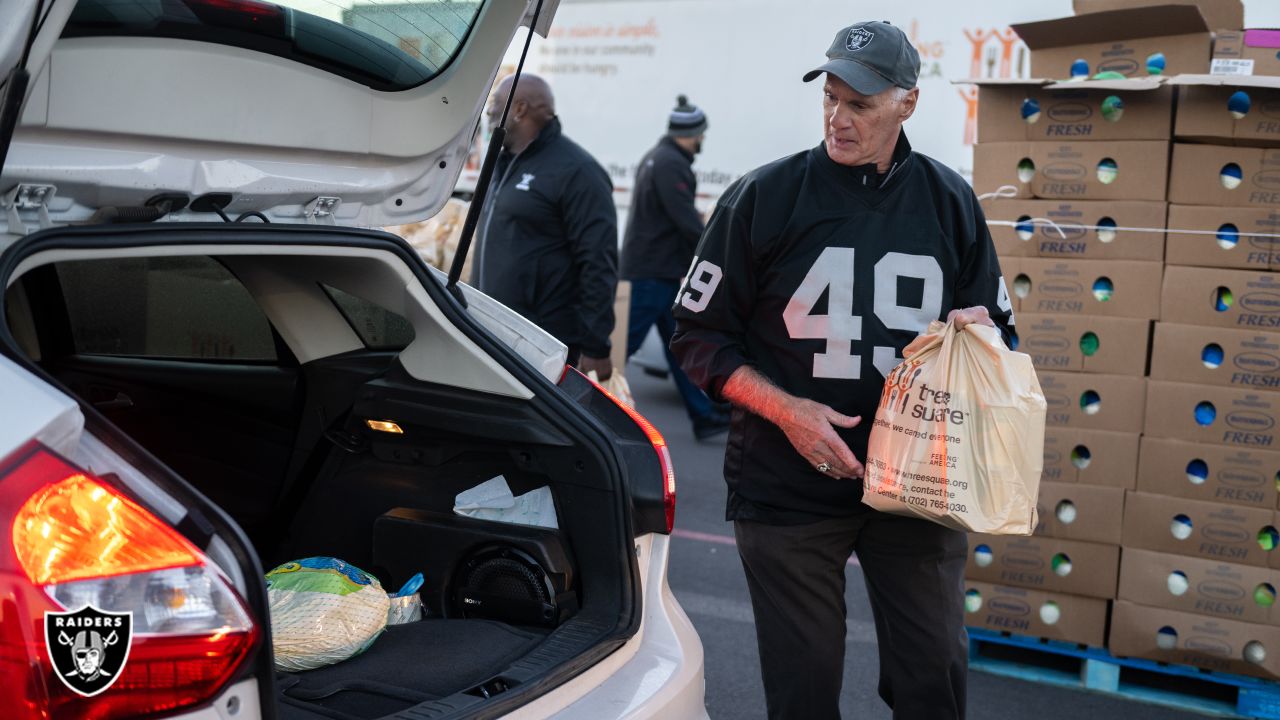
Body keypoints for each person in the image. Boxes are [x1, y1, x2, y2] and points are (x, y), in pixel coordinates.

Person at [671, 20, 1014, 720]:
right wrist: (788, 412)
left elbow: (1001, 336)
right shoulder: (762, 198)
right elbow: (699, 337)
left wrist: (981, 341)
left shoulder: (951, 204)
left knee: (934, 677)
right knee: (803, 690)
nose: (838, 117)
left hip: (917, 485)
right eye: (830, 97)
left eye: (859, 104)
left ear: (907, 104)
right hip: (787, 484)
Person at [472, 74, 617, 380]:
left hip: (541, 342)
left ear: (520, 109)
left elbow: (598, 262)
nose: (489, 114)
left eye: (495, 106)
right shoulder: (503, 162)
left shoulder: (578, 171)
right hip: (492, 330)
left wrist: (595, 344)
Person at [620, 95, 729, 440]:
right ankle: (579, 405)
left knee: (678, 348)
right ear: (690, 132)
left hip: (655, 270)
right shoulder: (671, 164)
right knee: (618, 349)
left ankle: (704, 416)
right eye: (701, 134)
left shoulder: (658, 157)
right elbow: (684, 220)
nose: (702, 141)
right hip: (652, 273)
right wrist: (717, 251)